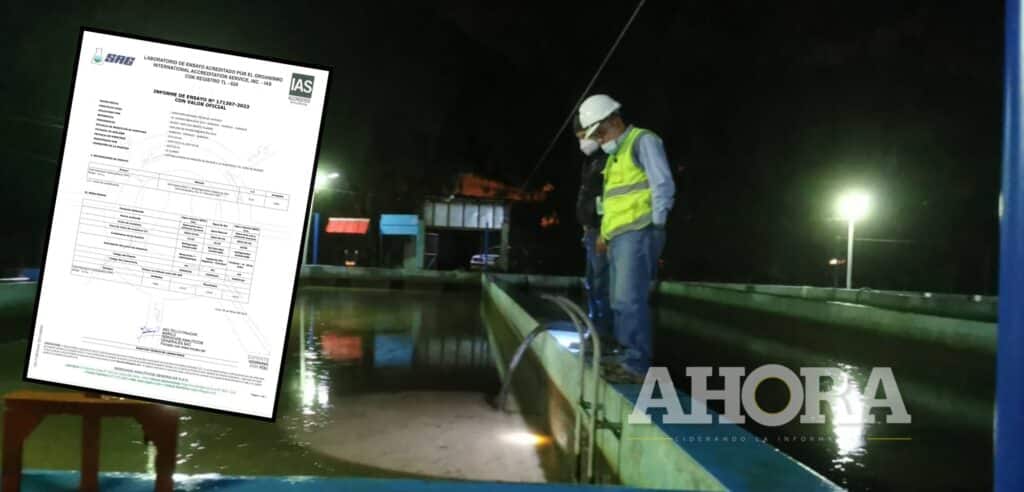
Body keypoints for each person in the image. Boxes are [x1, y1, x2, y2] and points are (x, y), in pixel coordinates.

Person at [578, 94, 675, 378]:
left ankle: (636, 364)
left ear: (615, 120)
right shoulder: (615, 156)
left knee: (630, 299)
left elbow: (662, 183)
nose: (600, 139)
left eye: (602, 132)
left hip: (638, 231)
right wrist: (605, 234)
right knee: (619, 300)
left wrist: (656, 225)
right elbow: (612, 202)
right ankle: (626, 356)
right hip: (619, 237)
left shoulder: (643, 141)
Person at [573, 117, 614, 346]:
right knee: (592, 283)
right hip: (591, 232)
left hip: (601, 232)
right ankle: (595, 332)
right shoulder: (591, 161)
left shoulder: (607, 158)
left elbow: (608, 198)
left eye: (582, 136)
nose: (582, 142)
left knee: (601, 285)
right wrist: (586, 227)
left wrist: (602, 232)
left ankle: (604, 336)